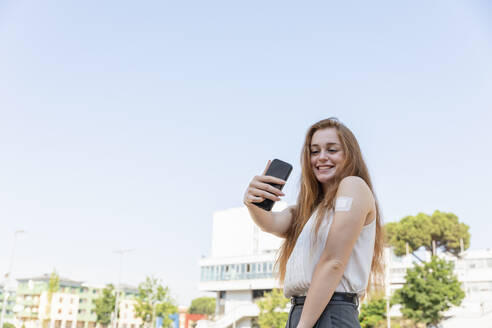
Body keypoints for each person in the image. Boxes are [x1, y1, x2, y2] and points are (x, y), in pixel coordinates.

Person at [243, 118, 384, 328]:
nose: (321, 157)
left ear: (349, 155)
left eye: (332, 150)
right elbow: (271, 223)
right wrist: (252, 202)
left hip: (329, 312)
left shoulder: (353, 186)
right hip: (302, 312)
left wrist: (303, 325)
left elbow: (334, 262)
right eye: (314, 151)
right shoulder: (309, 209)